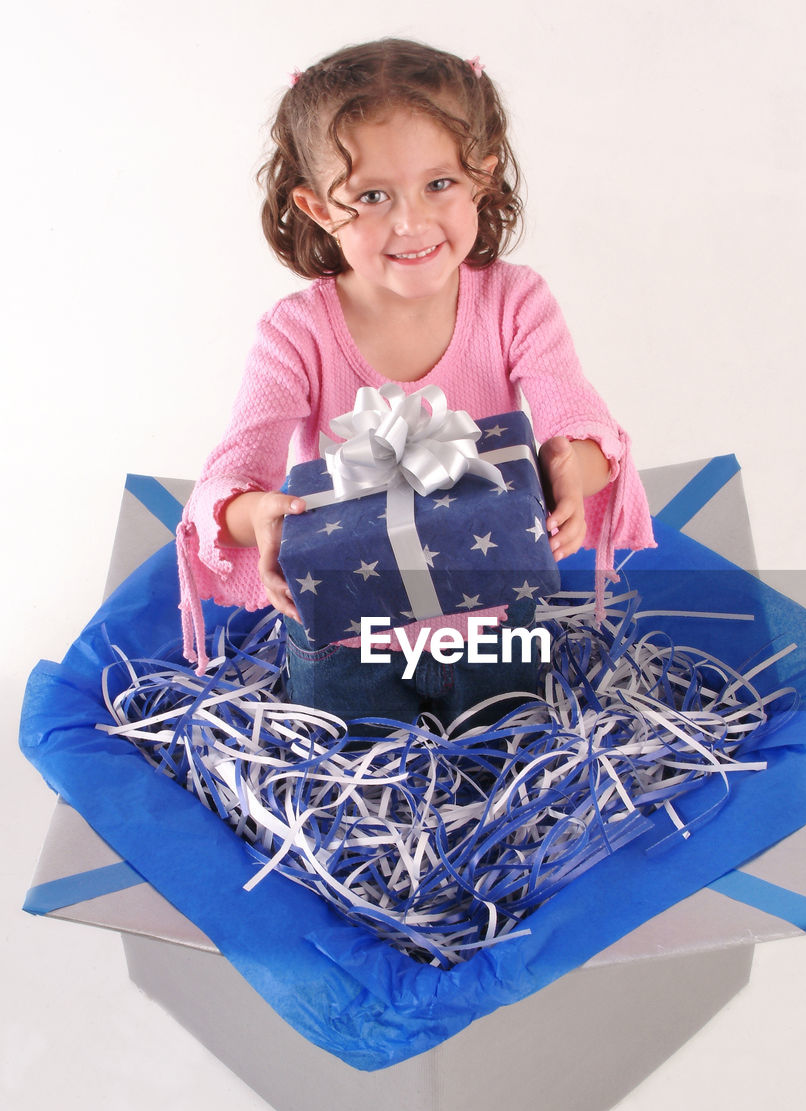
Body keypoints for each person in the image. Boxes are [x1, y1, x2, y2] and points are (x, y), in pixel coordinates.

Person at [176, 37, 654, 725]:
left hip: (497, 618)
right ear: (317, 208)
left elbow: (574, 418)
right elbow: (230, 480)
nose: (410, 222)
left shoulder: (515, 302)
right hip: (346, 634)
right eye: (371, 195)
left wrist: (568, 467)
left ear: (482, 177)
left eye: (439, 184)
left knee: (505, 764)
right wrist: (259, 516)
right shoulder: (296, 331)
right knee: (353, 779)